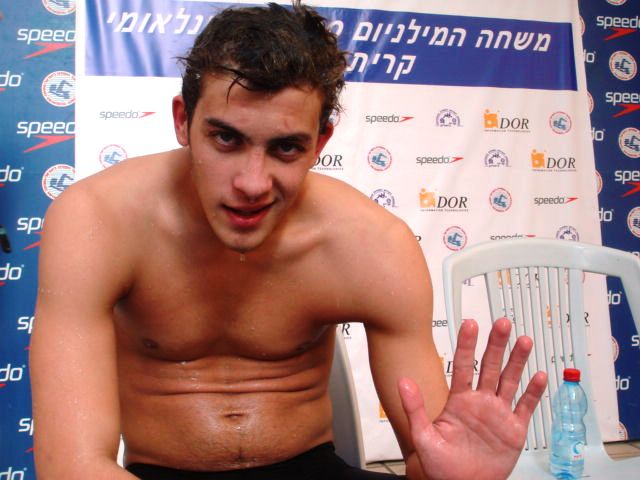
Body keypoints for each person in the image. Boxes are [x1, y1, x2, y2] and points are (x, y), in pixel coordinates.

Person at [30, 2, 547, 479]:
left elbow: (426, 458)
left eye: (286, 148)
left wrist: (454, 475)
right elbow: (72, 465)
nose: (253, 183)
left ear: (320, 142)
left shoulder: (372, 244)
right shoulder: (98, 219)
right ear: (183, 121)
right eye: (226, 138)